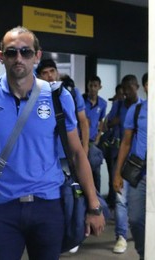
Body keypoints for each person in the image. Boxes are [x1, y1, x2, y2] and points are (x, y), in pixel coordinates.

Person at [0, 26, 105, 260]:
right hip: (0, 206)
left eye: (26, 52)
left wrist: (94, 206)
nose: (19, 58)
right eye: (11, 52)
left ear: (37, 56)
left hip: (47, 205)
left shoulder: (58, 97)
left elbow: (77, 153)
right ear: (0, 56)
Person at [36, 60, 89, 254]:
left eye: (52, 71)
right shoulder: (34, 96)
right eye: (45, 73)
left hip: (67, 155)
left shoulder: (69, 95)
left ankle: (72, 234)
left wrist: (84, 151)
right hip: (47, 159)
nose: (49, 76)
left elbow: (83, 122)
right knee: (54, 201)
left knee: (71, 197)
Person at [113, 72, 147, 260]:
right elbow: (126, 143)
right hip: (138, 172)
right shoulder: (136, 110)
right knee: (135, 218)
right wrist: (118, 173)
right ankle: (143, 253)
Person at [100, 84, 124, 209]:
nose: (122, 96)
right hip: (113, 147)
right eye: (121, 93)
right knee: (113, 175)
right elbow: (107, 124)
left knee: (116, 176)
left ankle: (113, 201)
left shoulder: (128, 106)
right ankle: (113, 201)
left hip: (121, 148)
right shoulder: (117, 106)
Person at [83, 76, 107, 193]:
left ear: (100, 87)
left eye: (95, 86)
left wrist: (98, 137)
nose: (92, 89)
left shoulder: (102, 103)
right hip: (81, 141)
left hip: (93, 142)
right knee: (81, 170)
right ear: (87, 86)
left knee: (96, 171)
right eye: (90, 86)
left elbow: (101, 121)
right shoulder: (81, 100)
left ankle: (98, 198)